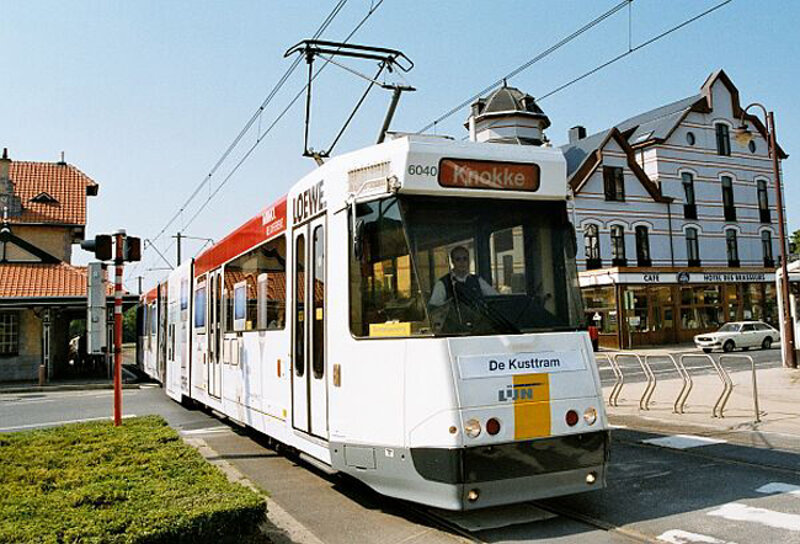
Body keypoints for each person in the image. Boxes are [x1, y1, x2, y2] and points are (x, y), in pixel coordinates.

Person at [429, 246, 497, 322]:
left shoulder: (478, 280)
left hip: (478, 325)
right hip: (454, 327)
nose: (462, 262)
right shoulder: (442, 283)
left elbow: (496, 299)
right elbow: (434, 309)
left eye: (465, 259)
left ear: (468, 261)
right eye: (458, 259)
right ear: (452, 262)